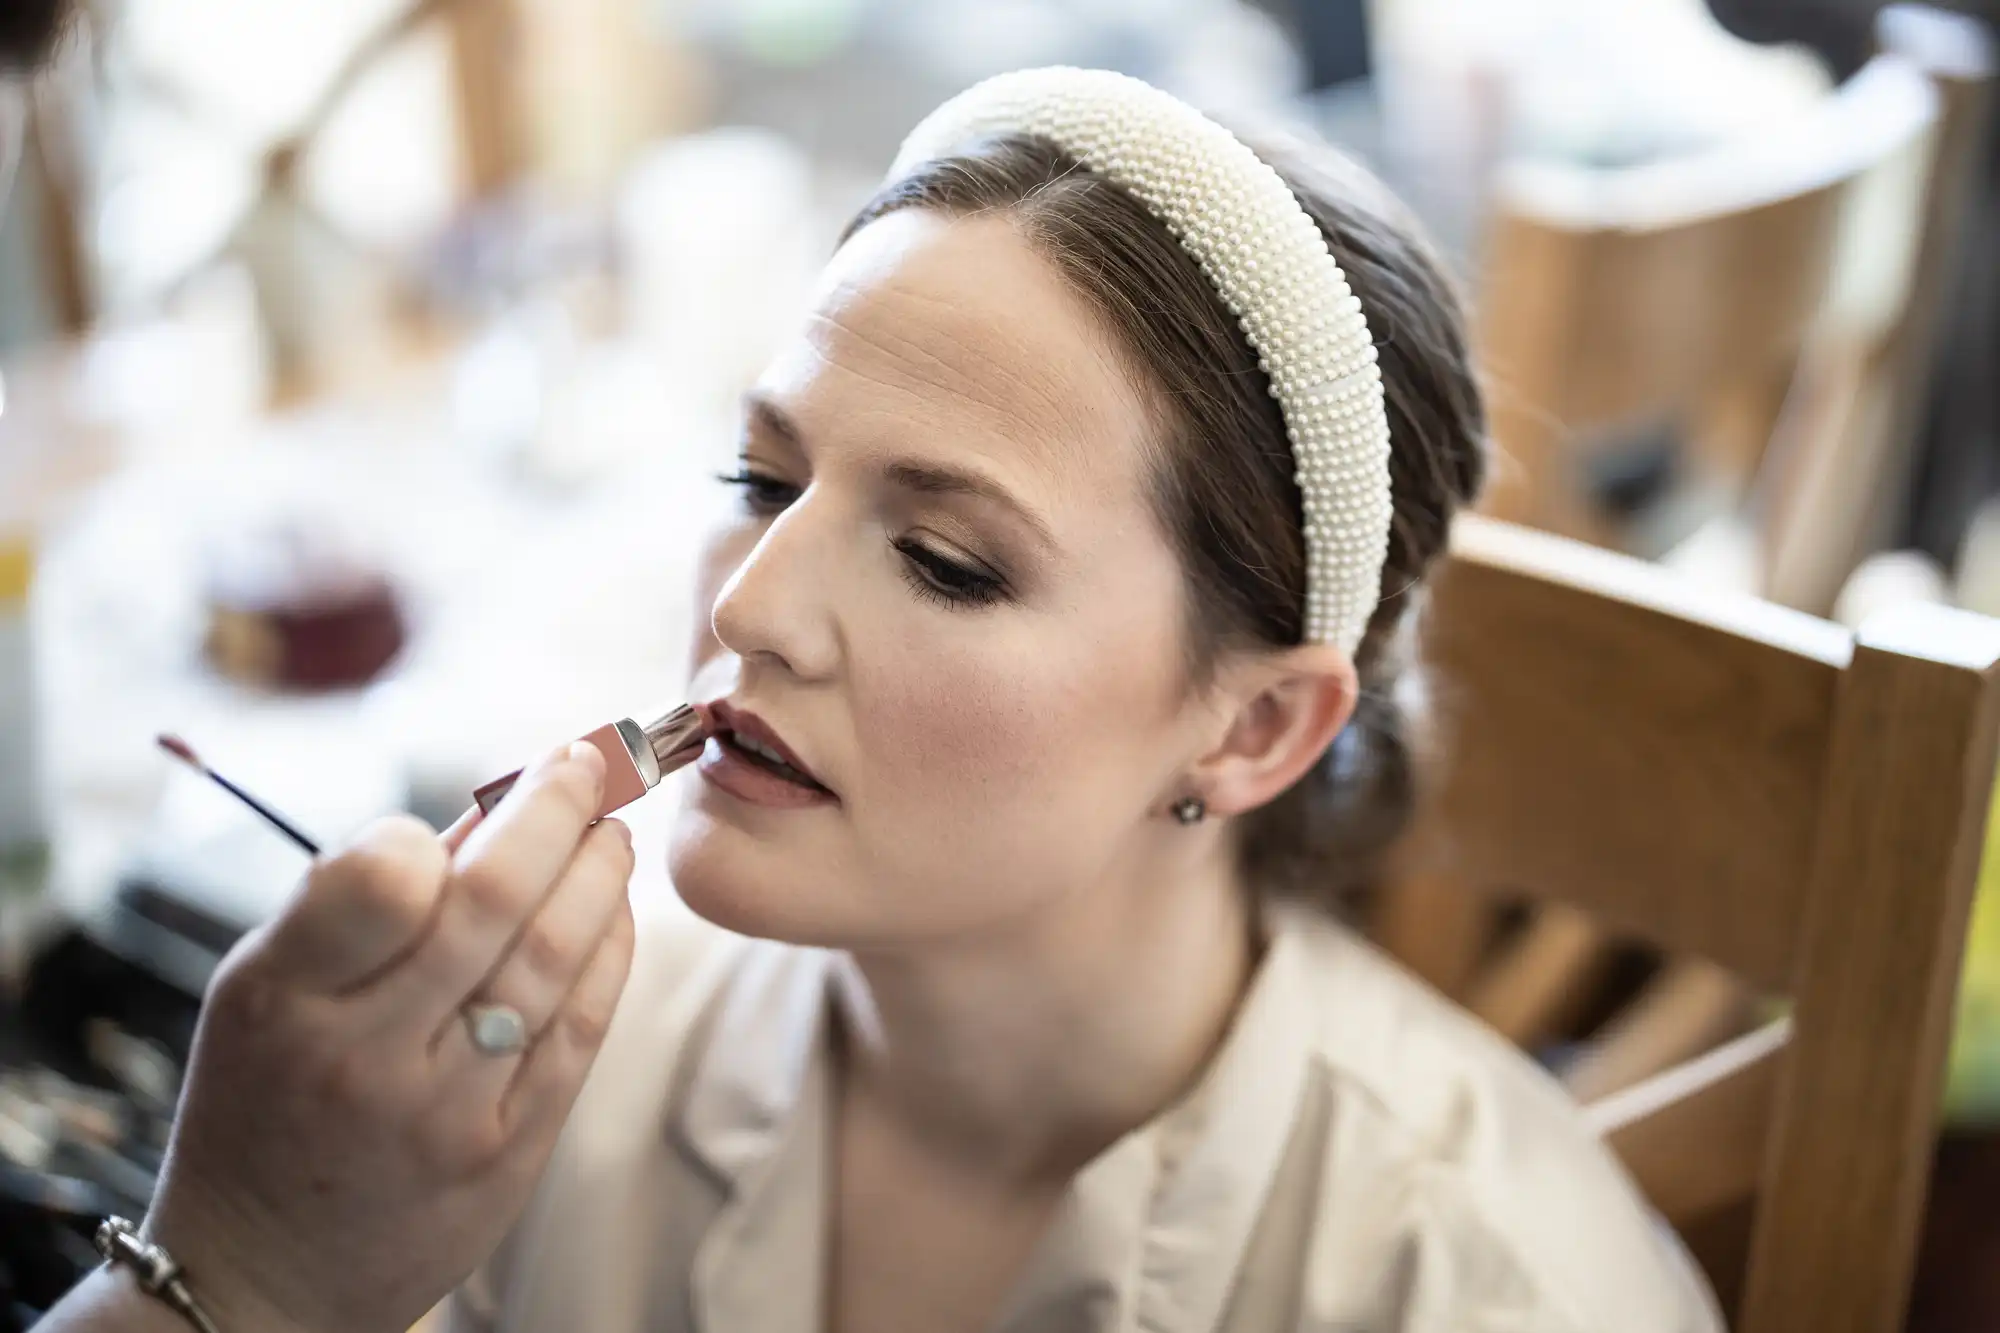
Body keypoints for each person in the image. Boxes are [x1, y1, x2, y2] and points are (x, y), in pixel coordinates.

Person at [37, 67, 1723, 1333]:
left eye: (947, 562)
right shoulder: (521, 1089)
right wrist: (242, 1267)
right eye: (761, 482)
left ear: (1255, 727)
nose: (752, 606)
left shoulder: (1483, 1285)